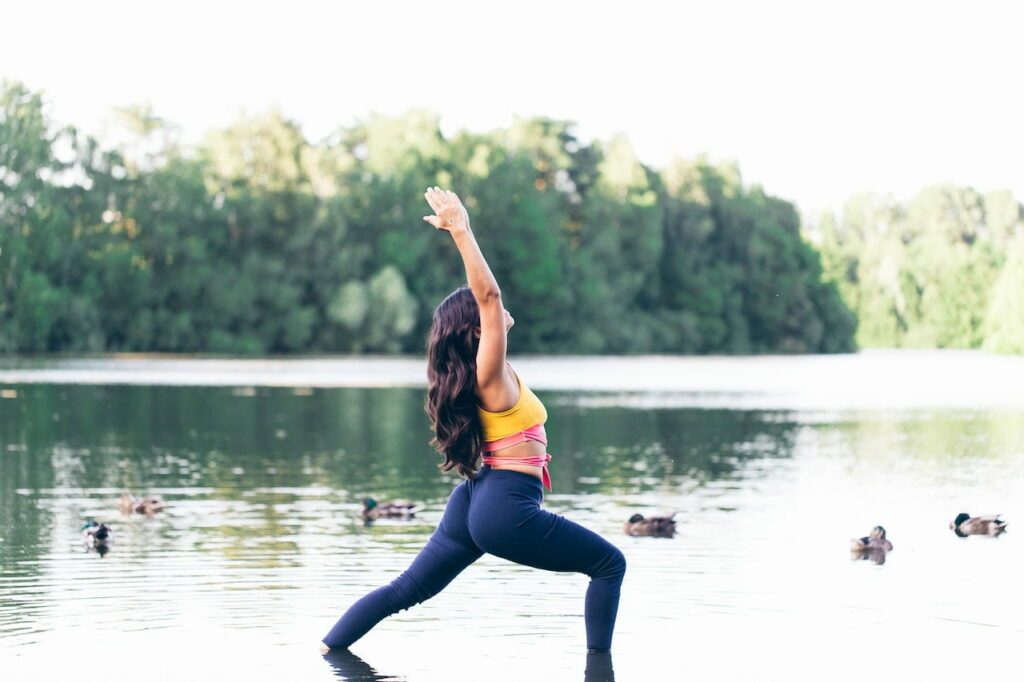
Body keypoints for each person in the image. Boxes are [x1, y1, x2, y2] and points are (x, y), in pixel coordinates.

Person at [320, 187, 626, 654]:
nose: (499, 309)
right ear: (479, 331)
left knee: (406, 591)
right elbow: (489, 293)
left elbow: (486, 302)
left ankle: (327, 651)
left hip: (475, 499)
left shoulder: (484, 377)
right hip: (505, 505)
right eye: (487, 312)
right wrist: (461, 230)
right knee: (609, 564)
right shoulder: (490, 375)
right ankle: (600, 672)